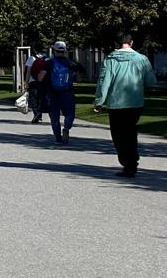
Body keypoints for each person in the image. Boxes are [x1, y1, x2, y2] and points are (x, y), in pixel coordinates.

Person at [94, 32, 158, 178]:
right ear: (132, 43)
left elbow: (104, 82)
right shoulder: (142, 59)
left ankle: (127, 163)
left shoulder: (110, 60)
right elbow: (151, 81)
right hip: (135, 102)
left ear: (117, 43)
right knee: (130, 132)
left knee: (118, 135)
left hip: (116, 103)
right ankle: (132, 162)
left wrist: (99, 101)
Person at [42, 40, 79, 145]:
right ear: (65, 50)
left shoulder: (49, 63)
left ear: (54, 50)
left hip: (53, 93)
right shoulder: (71, 63)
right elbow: (79, 78)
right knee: (70, 113)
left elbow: (40, 77)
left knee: (54, 116)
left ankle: (58, 137)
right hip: (68, 92)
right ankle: (66, 127)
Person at [26, 51, 48, 122]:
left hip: (33, 81)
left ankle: (36, 114)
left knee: (33, 99)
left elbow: (28, 71)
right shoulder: (47, 59)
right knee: (41, 98)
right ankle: (39, 114)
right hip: (43, 82)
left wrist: (26, 82)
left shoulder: (31, 58)